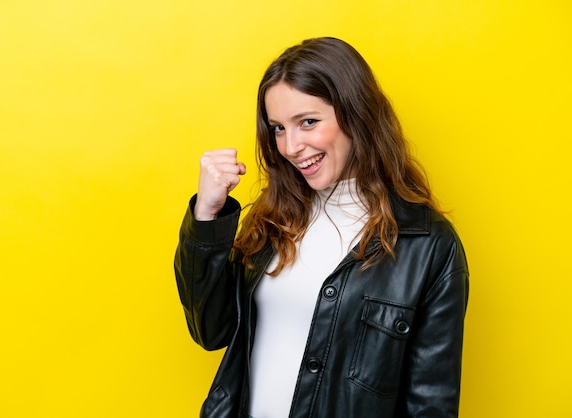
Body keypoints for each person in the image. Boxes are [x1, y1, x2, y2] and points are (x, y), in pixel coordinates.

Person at [174, 37, 469, 418]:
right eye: (278, 128)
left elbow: (430, 403)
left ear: (356, 115)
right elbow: (209, 331)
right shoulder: (271, 221)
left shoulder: (428, 246)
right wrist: (207, 214)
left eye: (308, 122)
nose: (291, 146)